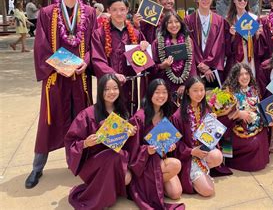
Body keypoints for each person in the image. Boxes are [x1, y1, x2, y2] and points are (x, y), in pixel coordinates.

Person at [26, 0, 96, 189]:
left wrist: (86, 60)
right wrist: (62, 67)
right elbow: (41, 45)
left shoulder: (90, 13)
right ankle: (37, 168)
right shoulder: (47, 13)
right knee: (49, 121)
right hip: (56, 78)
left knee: (82, 119)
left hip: (80, 78)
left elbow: (94, 42)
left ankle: (86, 163)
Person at [64, 74, 136, 209]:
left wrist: (130, 133)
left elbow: (124, 143)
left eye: (115, 88)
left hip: (116, 160)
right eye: (106, 89)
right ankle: (102, 198)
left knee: (127, 176)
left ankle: (109, 189)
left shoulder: (122, 111)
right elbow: (70, 143)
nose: (111, 92)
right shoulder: (87, 115)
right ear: (100, 91)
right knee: (114, 155)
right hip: (92, 164)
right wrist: (85, 143)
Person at [129, 79, 184, 208]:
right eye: (157, 92)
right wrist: (146, 150)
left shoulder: (167, 113)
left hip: (161, 159)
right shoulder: (139, 117)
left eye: (164, 92)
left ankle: (152, 186)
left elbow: (169, 141)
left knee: (176, 193)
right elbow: (131, 149)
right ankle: (144, 187)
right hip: (144, 163)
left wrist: (171, 146)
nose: (161, 96)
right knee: (176, 164)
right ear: (149, 94)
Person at [92, 0, 149, 115]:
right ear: (108, 11)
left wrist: (145, 46)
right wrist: (113, 75)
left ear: (127, 10)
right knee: (108, 118)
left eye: (122, 9)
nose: (119, 13)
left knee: (128, 116)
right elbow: (97, 60)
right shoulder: (99, 34)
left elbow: (144, 62)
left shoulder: (135, 34)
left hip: (129, 85)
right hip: (108, 86)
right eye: (114, 10)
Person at [171, 77, 224, 197]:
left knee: (217, 156)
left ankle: (203, 171)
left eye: (202, 90)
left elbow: (210, 136)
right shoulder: (178, 116)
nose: (199, 94)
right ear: (187, 92)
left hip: (203, 150)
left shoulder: (205, 108)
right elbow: (176, 143)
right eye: (195, 90)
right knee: (208, 191)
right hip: (188, 156)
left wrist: (213, 124)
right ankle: (193, 176)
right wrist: (192, 151)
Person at [220, 63, 270, 171]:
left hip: (254, 125)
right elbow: (221, 118)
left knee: (262, 136)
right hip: (235, 129)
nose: (244, 77)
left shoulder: (254, 90)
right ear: (235, 77)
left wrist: (268, 120)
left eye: (247, 73)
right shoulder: (227, 93)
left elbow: (258, 110)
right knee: (253, 143)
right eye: (240, 74)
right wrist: (238, 114)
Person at [184, 0, 225, 88]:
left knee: (214, 98)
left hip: (213, 67)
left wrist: (208, 65)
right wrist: (202, 65)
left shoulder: (219, 20)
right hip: (195, 66)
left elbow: (219, 44)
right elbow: (190, 45)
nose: (205, 0)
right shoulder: (189, 20)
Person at [152, 11, 196, 105]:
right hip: (165, 86)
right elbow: (152, 67)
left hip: (185, 85)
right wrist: (162, 66)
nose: (174, 25)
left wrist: (186, 85)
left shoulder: (188, 41)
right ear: (165, 25)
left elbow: (191, 66)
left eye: (176, 21)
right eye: (170, 22)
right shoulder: (157, 43)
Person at [224, 0, 263, 79]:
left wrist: (257, 36)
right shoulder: (229, 20)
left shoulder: (254, 18)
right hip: (236, 57)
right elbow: (225, 45)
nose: (242, 1)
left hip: (251, 55)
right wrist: (231, 36)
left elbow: (259, 44)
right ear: (234, 1)